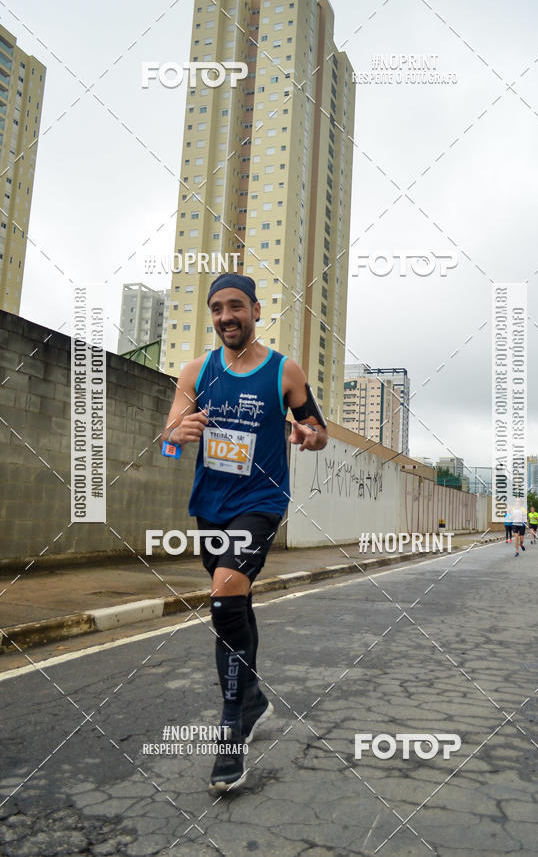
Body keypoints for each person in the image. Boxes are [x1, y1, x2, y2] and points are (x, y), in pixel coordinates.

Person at [160, 273, 328, 794]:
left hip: (260, 503)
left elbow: (318, 432)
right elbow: (168, 439)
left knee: (226, 589)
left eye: (236, 306)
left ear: (256, 310)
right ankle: (252, 695)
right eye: (217, 309)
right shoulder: (195, 371)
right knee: (231, 602)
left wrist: (308, 436)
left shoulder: (284, 371)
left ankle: (232, 725)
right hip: (211, 506)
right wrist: (177, 434)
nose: (226, 316)